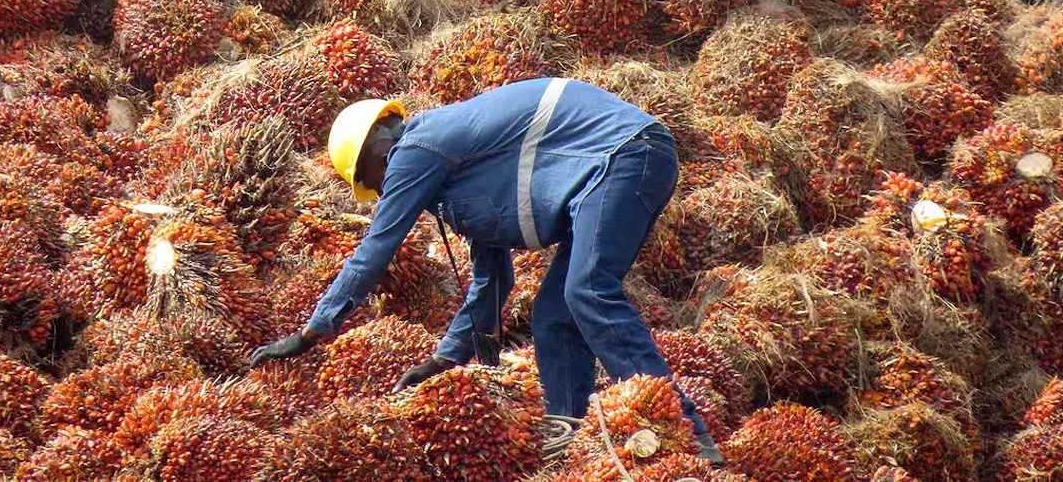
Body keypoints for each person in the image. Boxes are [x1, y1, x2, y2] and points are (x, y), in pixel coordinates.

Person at [247, 77, 724, 463]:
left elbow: (377, 246)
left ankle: (686, 432)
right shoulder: (462, 176)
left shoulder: (417, 147)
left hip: (623, 155)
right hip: (621, 166)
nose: (381, 189)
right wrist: (445, 360)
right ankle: (568, 439)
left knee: (588, 291)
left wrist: (313, 331)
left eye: (370, 182)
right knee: (555, 314)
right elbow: (493, 282)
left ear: (376, 151)